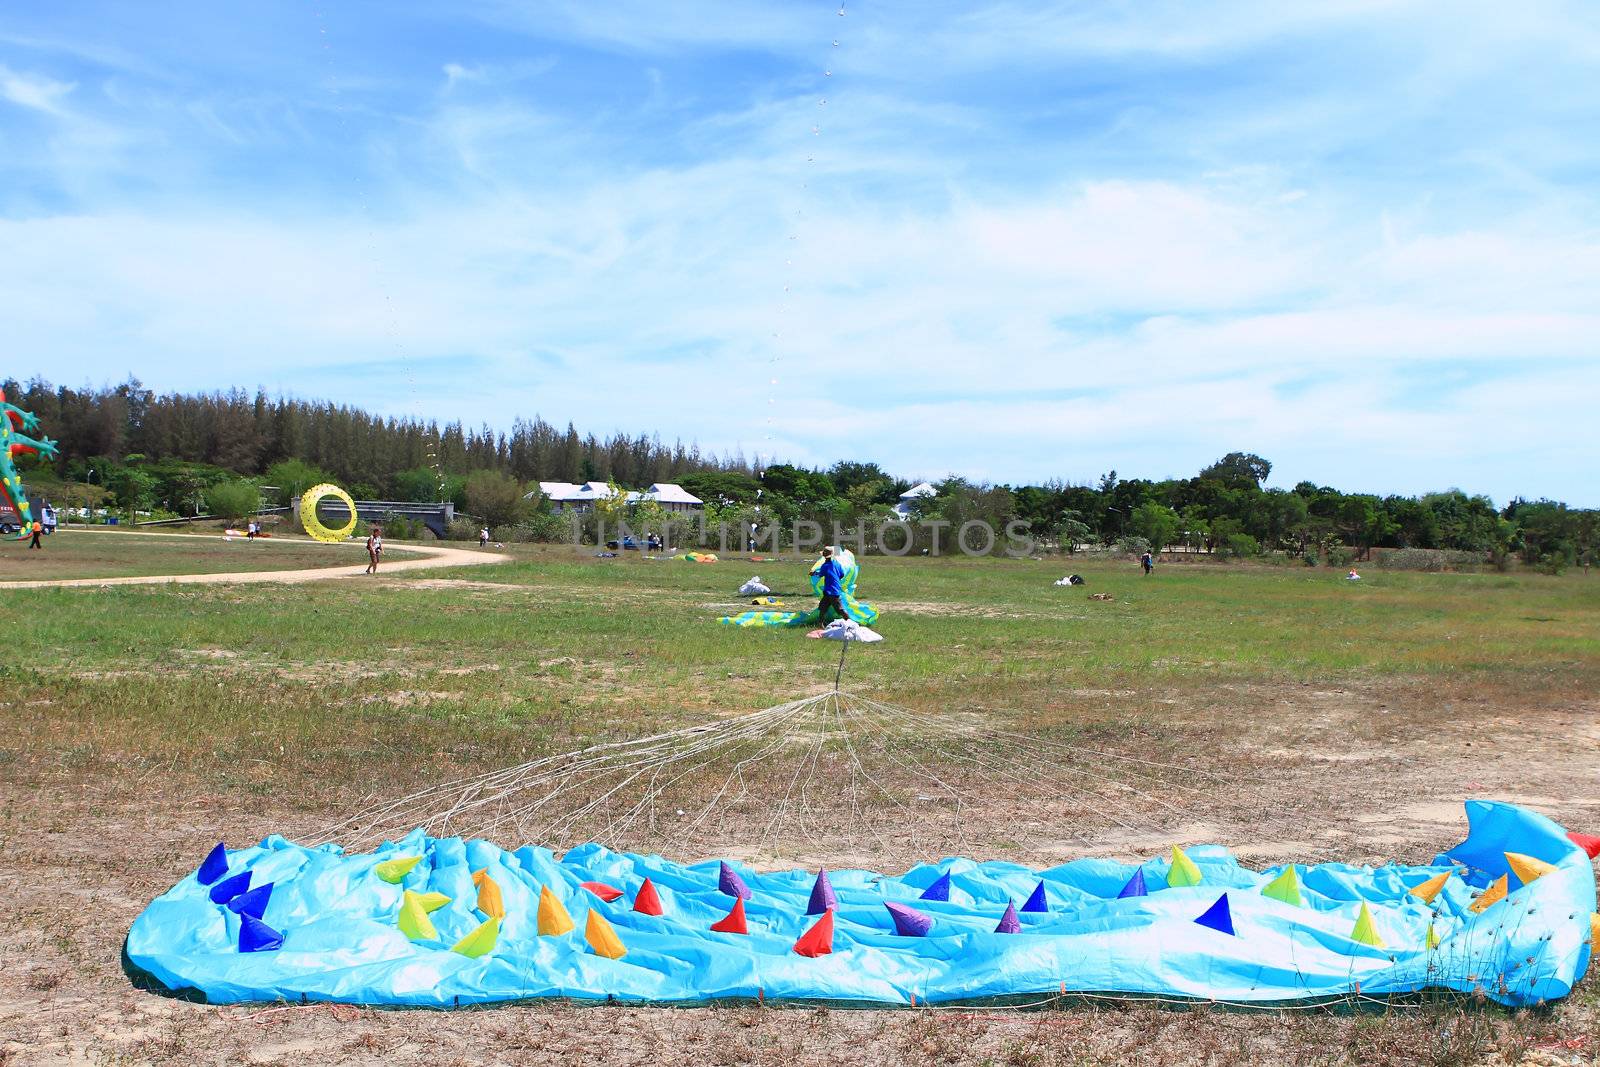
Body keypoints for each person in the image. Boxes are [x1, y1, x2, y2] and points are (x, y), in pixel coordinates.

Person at [814, 546, 846, 625]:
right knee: (823, 607)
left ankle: (850, 623)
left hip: (832, 590)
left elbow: (820, 575)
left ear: (824, 556)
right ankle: (820, 624)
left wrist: (813, 573)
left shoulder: (825, 566)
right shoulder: (837, 564)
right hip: (831, 589)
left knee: (840, 610)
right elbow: (842, 574)